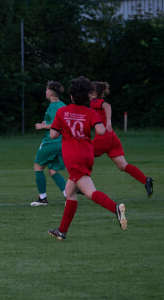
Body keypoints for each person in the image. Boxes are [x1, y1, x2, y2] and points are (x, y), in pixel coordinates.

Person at [47, 76, 127, 241]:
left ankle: (116, 208)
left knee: (90, 192)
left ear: (71, 96)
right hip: (87, 155)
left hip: (72, 157)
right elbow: (100, 132)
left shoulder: (62, 111)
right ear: (86, 97)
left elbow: (53, 134)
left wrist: (66, 126)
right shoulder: (90, 112)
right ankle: (61, 231)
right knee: (70, 192)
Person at [90, 81, 153, 197]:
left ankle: (80, 185)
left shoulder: (94, 101)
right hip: (112, 138)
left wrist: (108, 120)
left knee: (84, 154)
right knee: (122, 166)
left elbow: (106, 105)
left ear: (94, 92)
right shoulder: (94, 103)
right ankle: (146, 180)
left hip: (103, 138)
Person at [30, 81, 67, 206]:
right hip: (63, 142)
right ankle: (69, 195)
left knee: (38, 167)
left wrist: (42, 126)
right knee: (52, 170)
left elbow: (57, 124)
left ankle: (42, 198)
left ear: (51, 92)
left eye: (46, 90)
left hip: (51, 141)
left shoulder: (52, 106)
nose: (45, 92)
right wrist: (46, 123)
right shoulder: (63, 105)